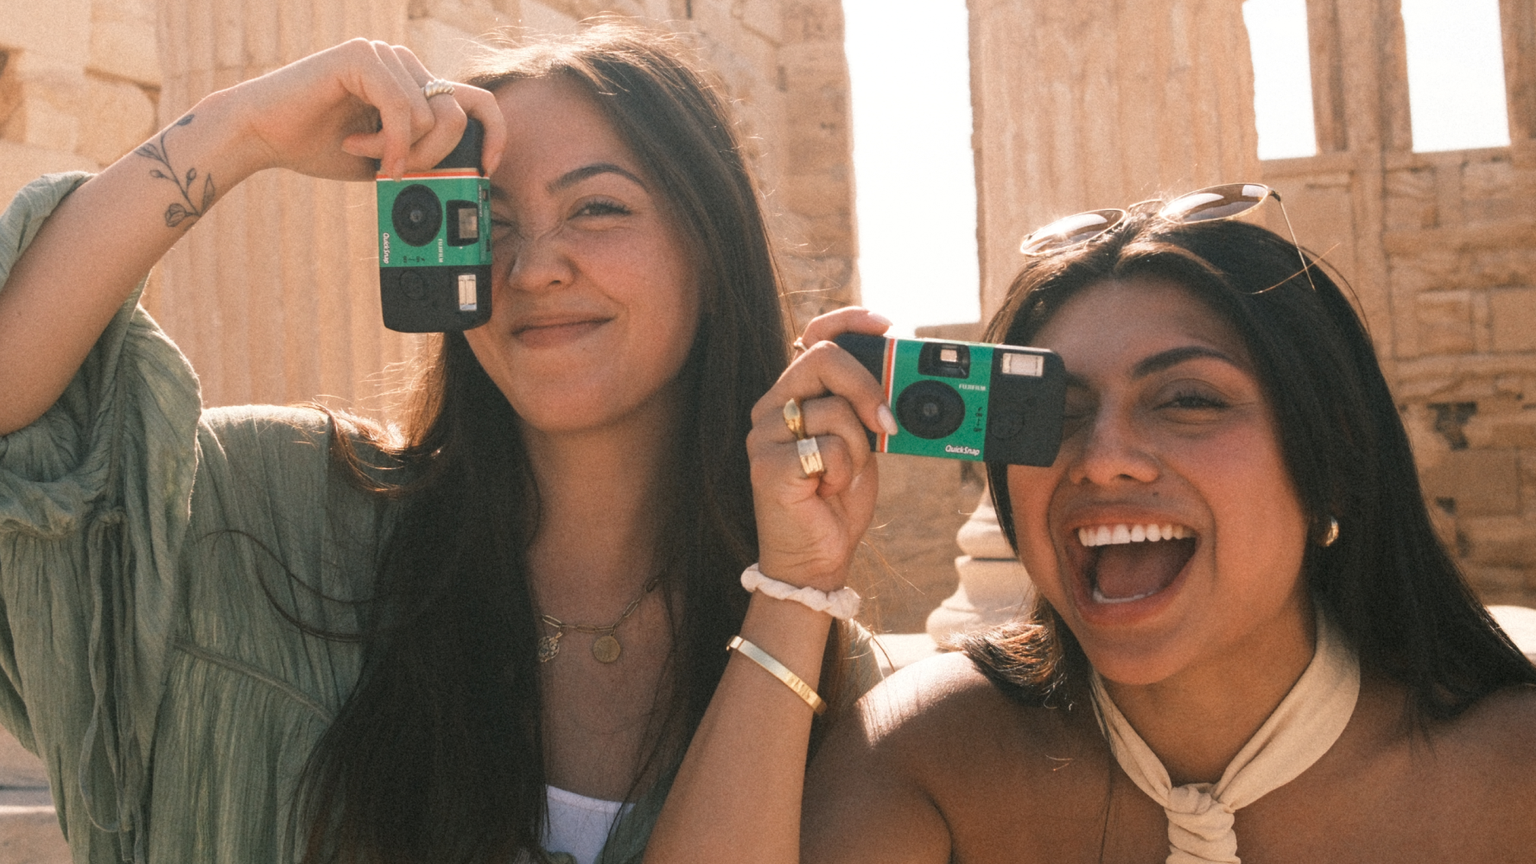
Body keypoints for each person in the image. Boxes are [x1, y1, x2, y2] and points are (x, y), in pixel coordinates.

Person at [0, 21, 881, 864]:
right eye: (486, 221)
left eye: (599, 208)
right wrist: (244, 129)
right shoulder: (273, 512)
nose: (533, 266)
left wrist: (795, 592)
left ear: (712, 255)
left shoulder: (835, 675)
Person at [681, 193, 1536, 863]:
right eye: (1057, 412)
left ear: (1334, 459)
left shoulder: (1513, 775)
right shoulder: (927, 756)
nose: (1103, 458)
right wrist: (797, 580)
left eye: (1189, 400)